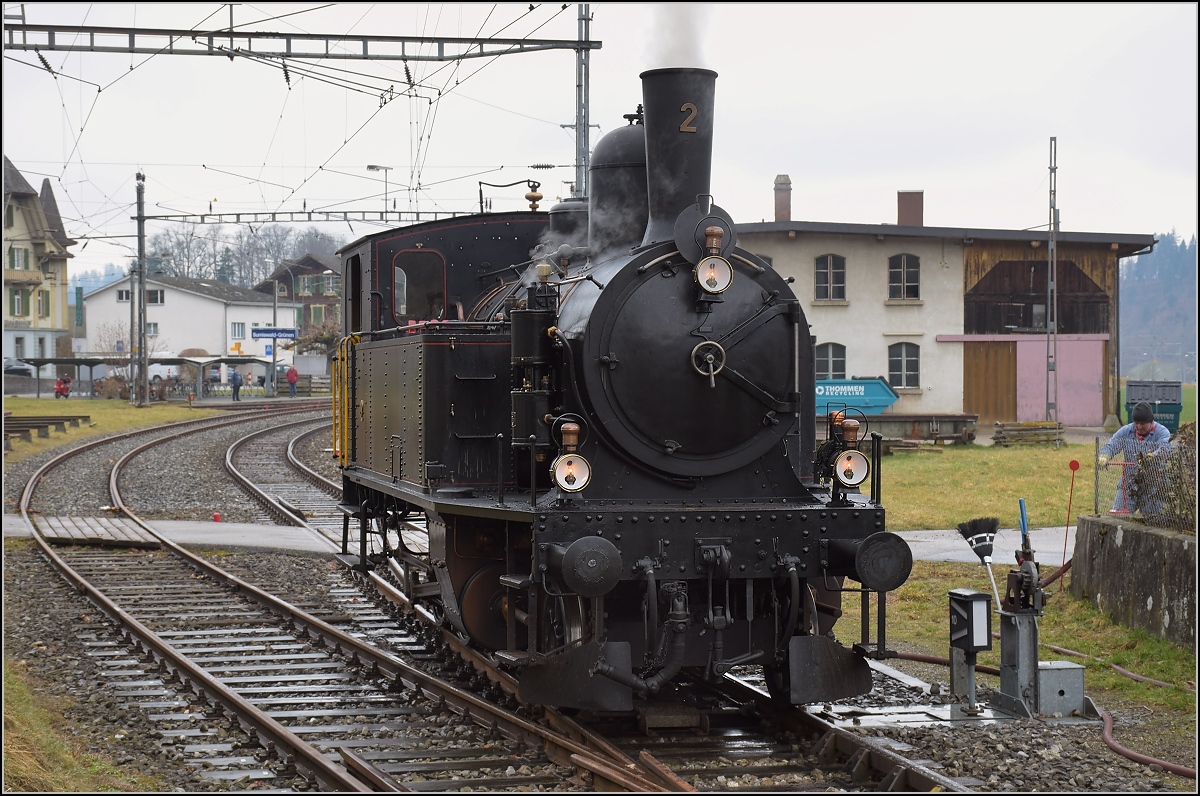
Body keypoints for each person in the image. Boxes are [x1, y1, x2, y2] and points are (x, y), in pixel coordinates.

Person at [1098, 402, 1172, 514]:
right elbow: (1112, 445)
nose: (1138, 427)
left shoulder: (1162, 432)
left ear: (1151, 422)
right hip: (1129, 483)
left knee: (1153, 521)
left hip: (1154, 486)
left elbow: (1165, 448)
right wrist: (1105, 455)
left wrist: (1152, 457)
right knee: (1119, 517)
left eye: (1142, 424)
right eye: (1136, 423)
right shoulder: (1126, 431)